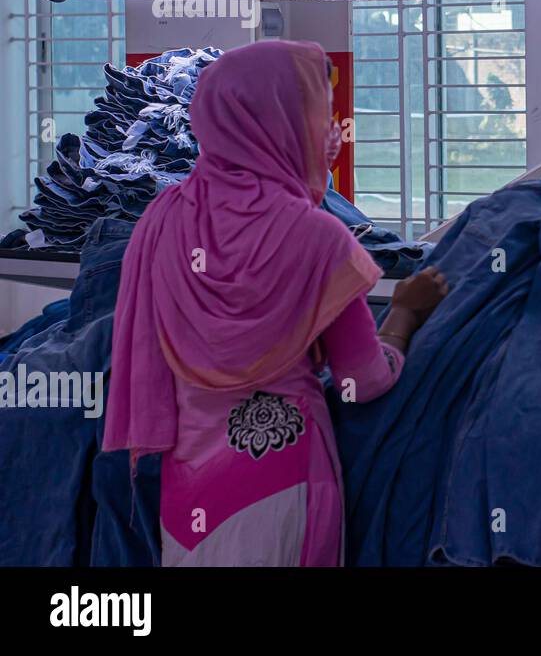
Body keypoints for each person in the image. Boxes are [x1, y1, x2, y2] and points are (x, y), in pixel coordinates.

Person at [104, 40, 448, 566]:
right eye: (315, 111)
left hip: (186, 491)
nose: (328, 128)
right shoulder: (317, 238)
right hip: (283, 481)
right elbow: (362, 383)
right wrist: (403, 314)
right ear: (286, 123)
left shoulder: (161, 221)